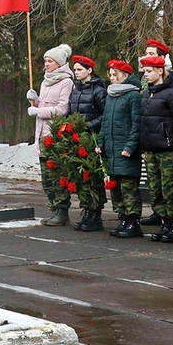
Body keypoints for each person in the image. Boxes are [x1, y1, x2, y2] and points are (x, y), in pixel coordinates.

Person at [138, 52, 173, 243]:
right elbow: (144, 121)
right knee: (155, 188)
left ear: (160, 70)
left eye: (149, 71)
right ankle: (164, 221)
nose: (146, 75)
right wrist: (143, 147)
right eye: (145, 71)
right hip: (151, 149)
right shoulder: (147, 93)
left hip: (167, 149)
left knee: (170, 188)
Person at [30, 43, 75, 227]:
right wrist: (35, 100)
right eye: (45, 61)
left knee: (57, 174)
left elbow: (62, 109)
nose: (46, 64)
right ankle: (53, 208)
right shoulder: (45, 80)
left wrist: (38, 111)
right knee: (46, 177)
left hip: (56, 134)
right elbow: (44, 105)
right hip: (42, 133)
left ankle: (62, 210)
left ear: (59, 63)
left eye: (49, 61)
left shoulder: (66, 82)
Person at [100, 59, 143, 238]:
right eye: (110, 75)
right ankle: (123, 217)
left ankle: (133, 221)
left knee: (128, 187)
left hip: (125, 150)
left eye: (115, 75)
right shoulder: (111, 95)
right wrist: (100, 143)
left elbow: (136, 124)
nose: (112, 78)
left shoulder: (133, 96)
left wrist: (130, 146)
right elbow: (105, 122)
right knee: (116, 187)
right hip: (112, 149)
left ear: (125, 76)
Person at [67, 55, 107, 232]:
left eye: (79, 69)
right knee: (82, 177)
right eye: (75, 70)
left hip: (92, 138)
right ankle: (87, 209)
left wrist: (87, 126)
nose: (76, 73)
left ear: (89, 70)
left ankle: (95, 213)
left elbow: (105, 115)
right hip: (78, 138)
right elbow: (71, 112)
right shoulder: (76, 90)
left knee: (93, 177)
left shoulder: (98, 91)